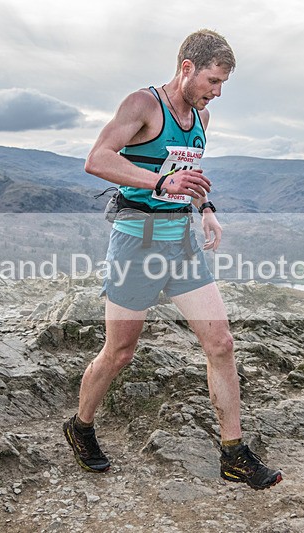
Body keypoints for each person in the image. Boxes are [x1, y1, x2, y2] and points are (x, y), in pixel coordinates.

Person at [63, 29, 282, 490]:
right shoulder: (142, 105)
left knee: (220, 343)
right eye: (213, 81)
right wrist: (158, 185)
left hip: (180, 244)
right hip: (135, 242)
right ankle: (81, 425)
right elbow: (97, 159)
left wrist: (205, 210)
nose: (217, 93)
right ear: (187, 68)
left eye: (222, 84)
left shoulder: (202, 116)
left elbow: (190, 174)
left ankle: (233, 453)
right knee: (120, 352)